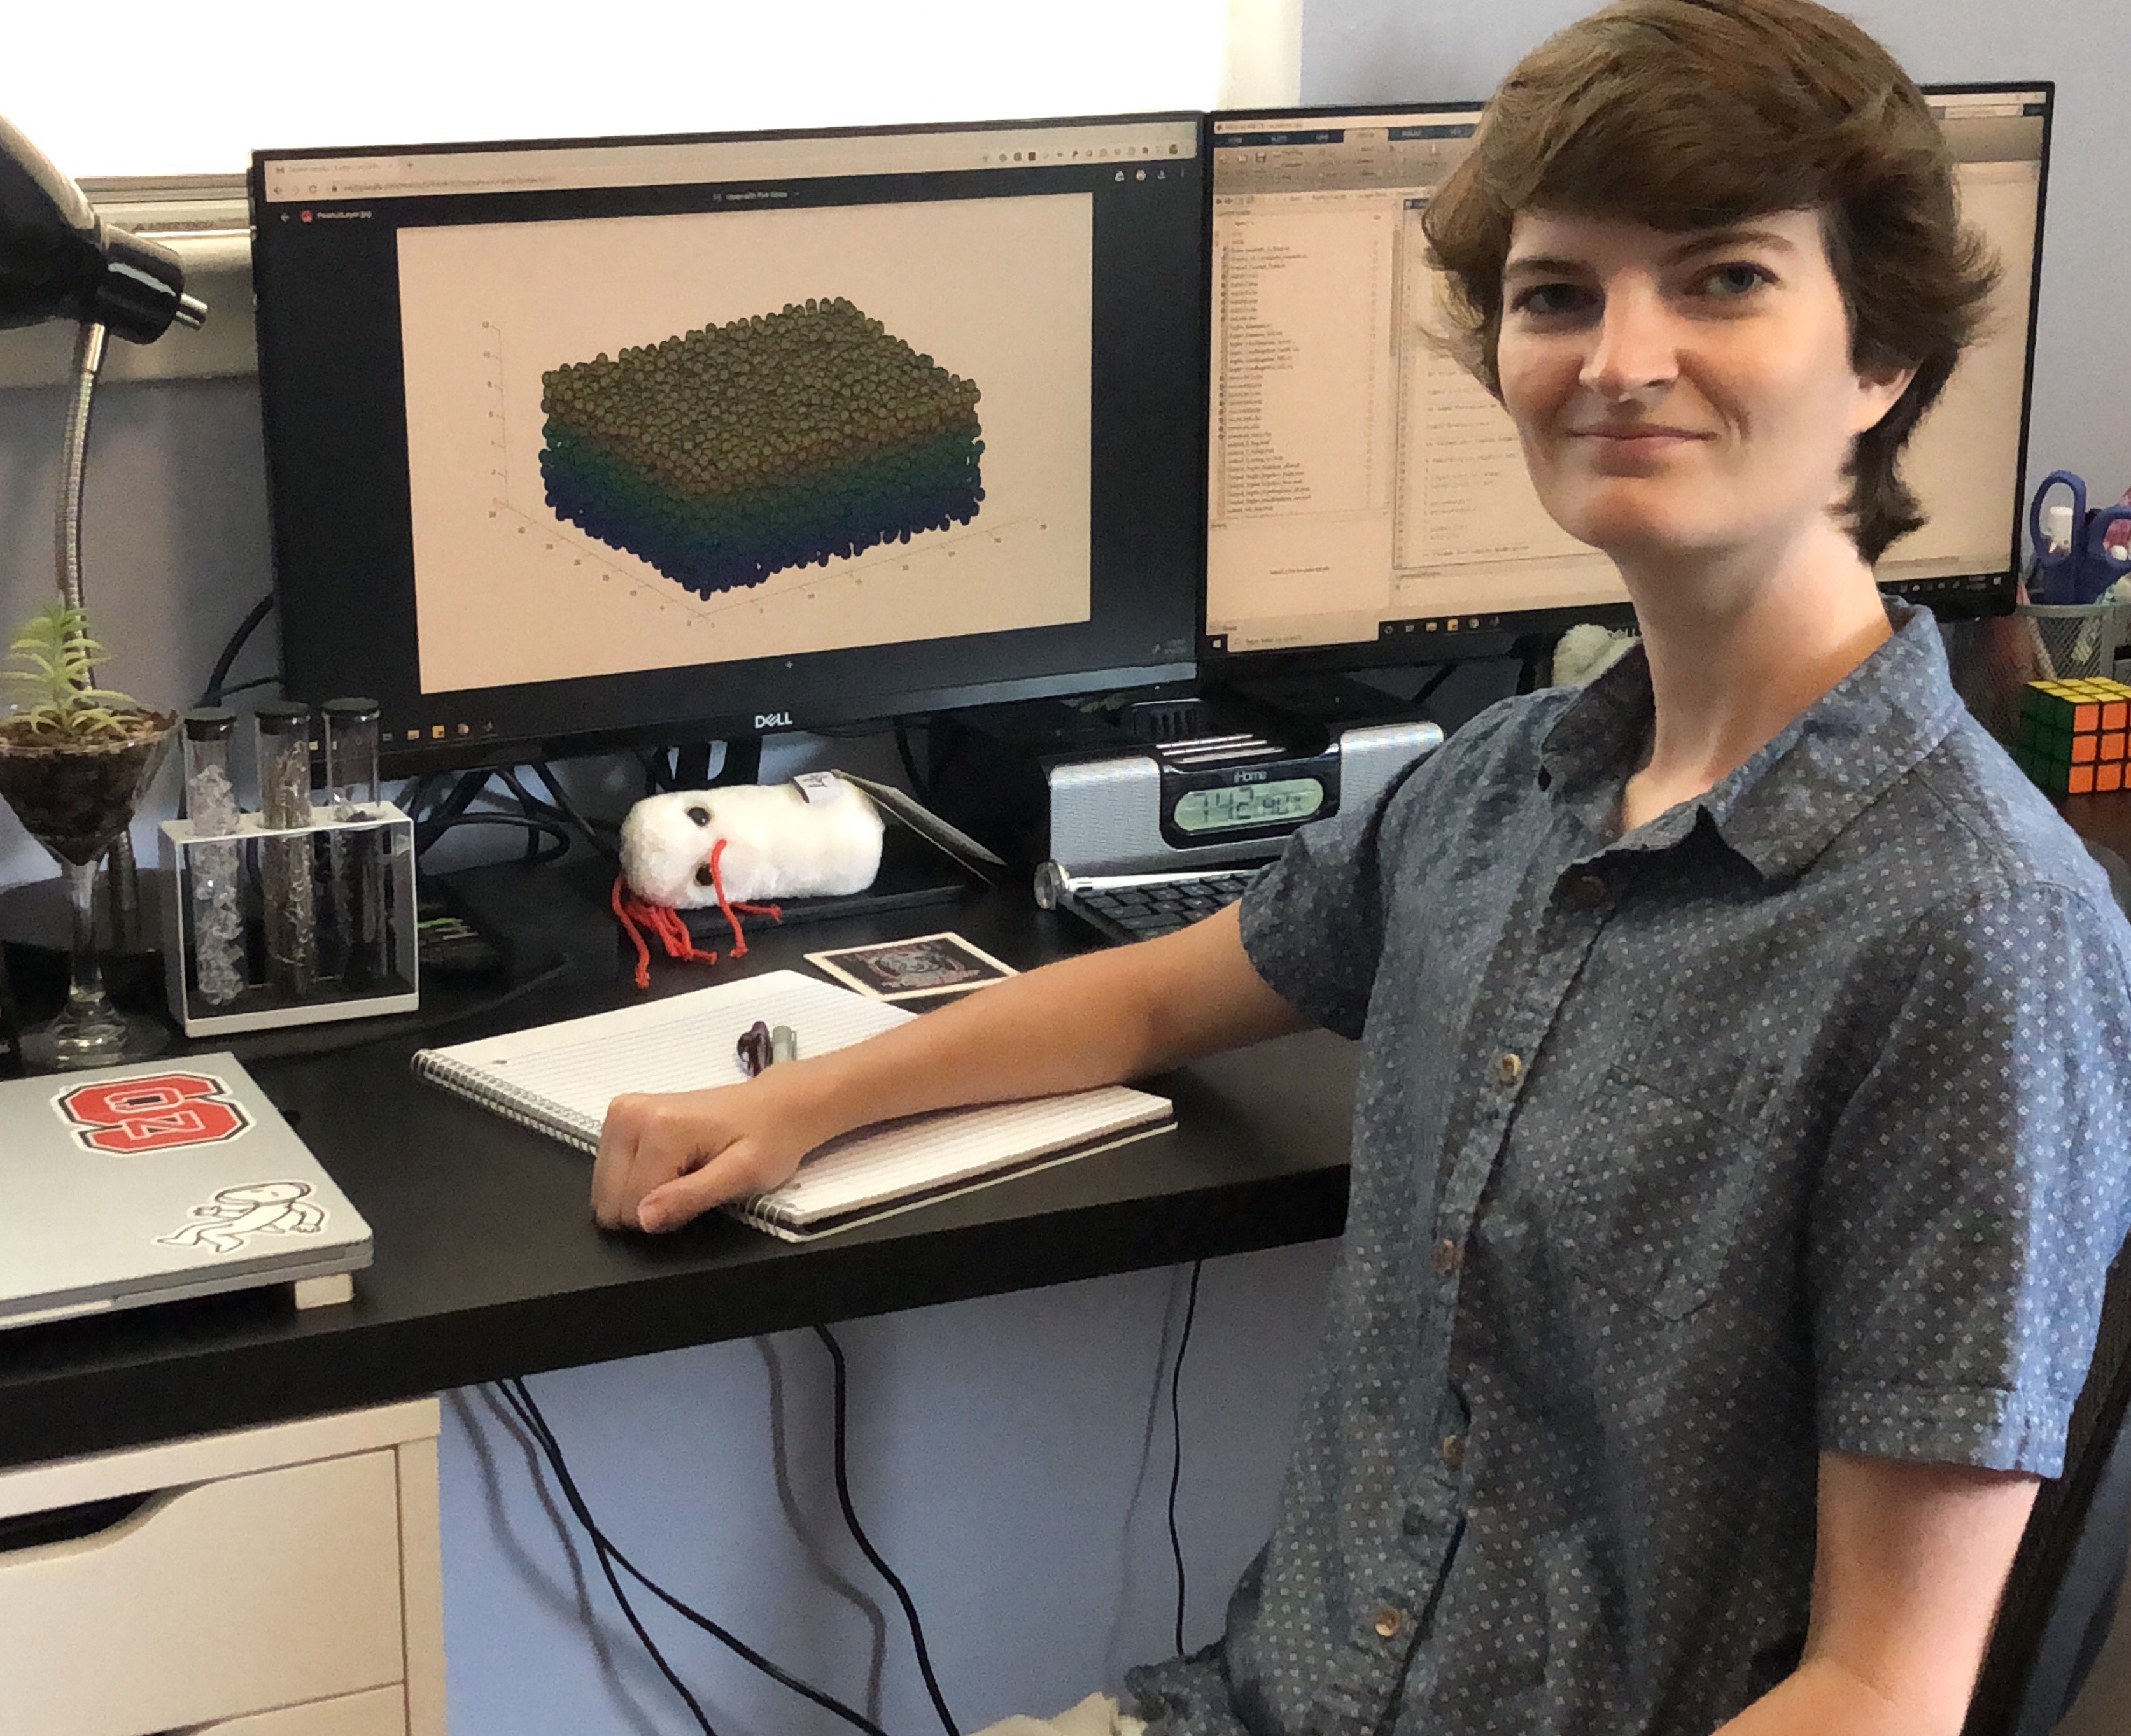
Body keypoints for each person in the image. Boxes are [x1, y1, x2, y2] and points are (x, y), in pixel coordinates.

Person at [593, 1, 2131, 1730]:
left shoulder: (1973, 934)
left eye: (1719, 279)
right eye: (1556, 294)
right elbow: (1163, 986)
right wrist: (804, 1103)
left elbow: (1879, 1692)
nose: (1617, 357)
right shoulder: (1507, 784)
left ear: (1884, 357)